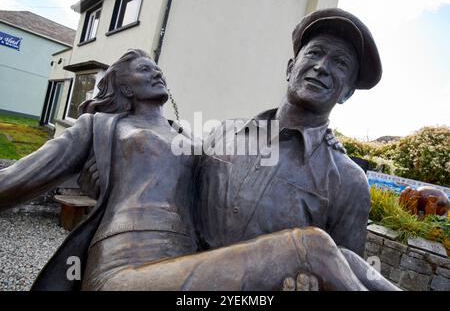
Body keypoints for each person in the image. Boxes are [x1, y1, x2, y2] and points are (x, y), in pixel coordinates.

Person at [0, 49, 398, 291]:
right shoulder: (100, 126)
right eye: (142, 70)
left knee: (343, 257)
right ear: (120, 86)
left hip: (184, 270)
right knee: (310, 247)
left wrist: (328, 150)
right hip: (127, 269)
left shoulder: (192, 136)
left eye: (157, 68)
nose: (156, 73)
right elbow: (16, 181)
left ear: (347, 92)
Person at [195, 8, 381, 258]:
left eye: (340, 63)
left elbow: (340, 275)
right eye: (315, 53)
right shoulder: (224, 132)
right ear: (290, 69)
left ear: (347, 93)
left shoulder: (348, 182)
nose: (321, 67)